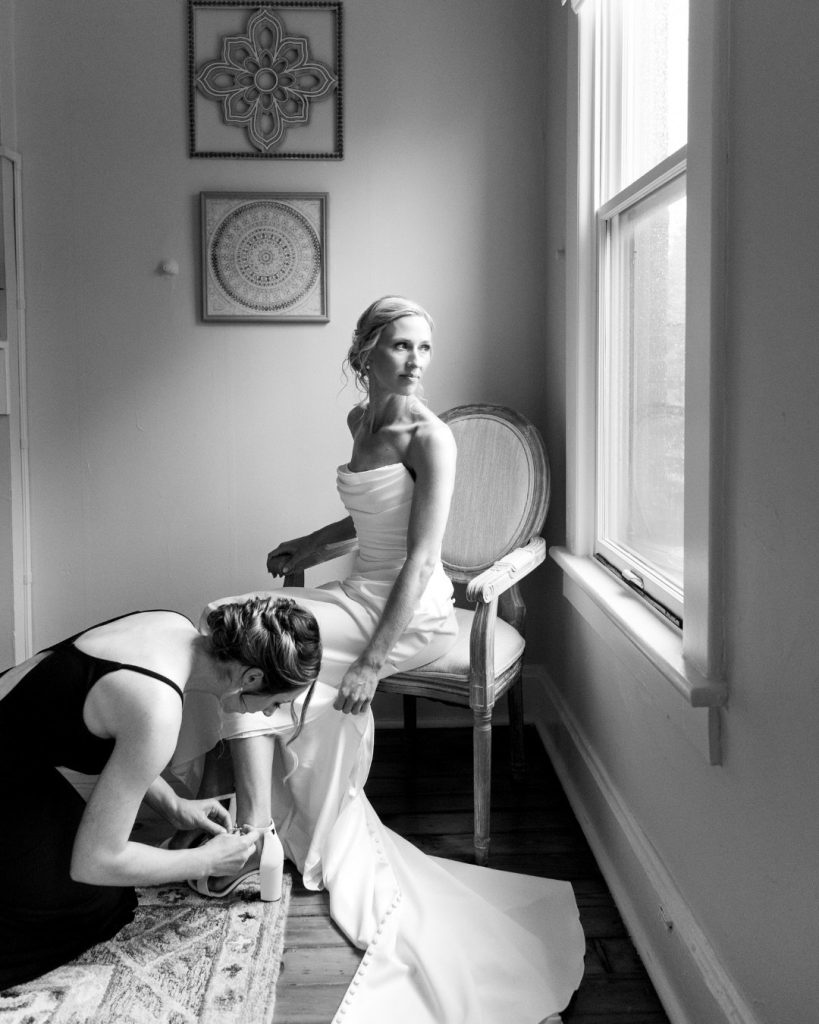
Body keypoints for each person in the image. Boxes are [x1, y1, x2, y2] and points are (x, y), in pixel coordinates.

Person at [169, 296, 585, 1023]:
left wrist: (369, 666)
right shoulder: (362, 420)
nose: (416, 361)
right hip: (360, 588)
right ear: (364, 353)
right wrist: (309, 545)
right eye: (400, 346)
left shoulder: (431, 438)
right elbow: (369, 518)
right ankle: (250, 823)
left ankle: (249, 833)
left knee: (248, 642)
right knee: (240, 634)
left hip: (408, 614)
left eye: (424, 347)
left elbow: (423, 559)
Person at [0, 596, 321, 990]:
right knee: (98, 904)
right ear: (252, 678)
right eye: (276, 703)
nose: (271, 714)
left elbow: (121, 727)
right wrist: (204, 861)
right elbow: (95, 860)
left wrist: (174, 805)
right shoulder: (159, 708)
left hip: (17, 755)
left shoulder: (171, 625)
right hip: (10, 766)